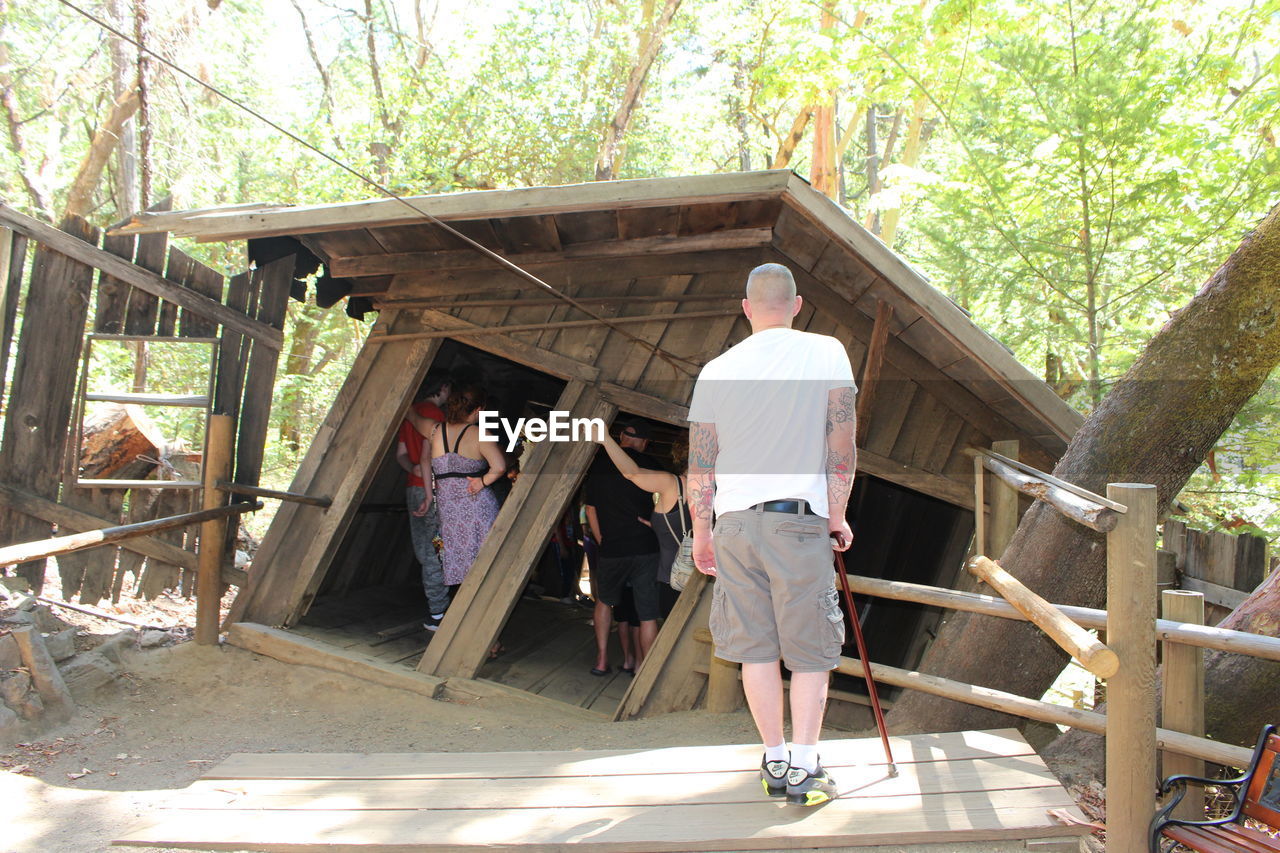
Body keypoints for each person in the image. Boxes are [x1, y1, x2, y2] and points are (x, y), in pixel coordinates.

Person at [687, 262, 856, 807]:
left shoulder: (715, 368)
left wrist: (701, 532)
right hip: (796, 519)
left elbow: (700, 464)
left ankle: (775, 757)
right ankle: (807, 767)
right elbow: (842, 442)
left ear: (746, 308)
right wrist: (837, 513)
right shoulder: (826, 350)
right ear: (797, 305)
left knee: (754, 645)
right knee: (810, 649)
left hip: (734, 524)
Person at [584, 421, 662, 675]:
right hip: (646, 546)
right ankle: (645, 670)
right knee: (647, 613)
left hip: (612, 546)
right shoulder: (654, 466)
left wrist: (600, 539)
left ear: (620, 437)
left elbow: (590, 508)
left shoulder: (598, 466)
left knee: (604, 602)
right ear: (645, 442)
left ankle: (601, 659)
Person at [415, 382, 507, 590]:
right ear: (479, 409)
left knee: (456, 563)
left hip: (448, 512)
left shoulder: (434, 430)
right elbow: (499, 467)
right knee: (483, 567)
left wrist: (429, 496)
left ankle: (461, 610)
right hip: (477, 508)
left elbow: (412, 417)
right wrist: (482, 481)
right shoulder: (479, 433)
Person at [595, 430, 689, 618]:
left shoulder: (673, 484)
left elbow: (632, 473)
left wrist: (605, 439)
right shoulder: (718, 487)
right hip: (709, 579)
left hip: (675, 578)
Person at [397, 376, 450, 631]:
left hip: (413, 490)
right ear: (443, 388)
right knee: (438, 548)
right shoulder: (436, 416)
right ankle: (439, 611)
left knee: (424, 549)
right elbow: (432, 456)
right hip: (434, 493)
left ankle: (437, 607)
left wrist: (414, 469)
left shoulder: (411, 414)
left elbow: (402, 455)